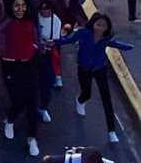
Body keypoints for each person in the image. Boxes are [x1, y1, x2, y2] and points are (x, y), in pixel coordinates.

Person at [54, 12, 133, 143]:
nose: (101, 28)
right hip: (84, 69)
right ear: (93, 24)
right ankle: (80, 100)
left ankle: (111, 131)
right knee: (87, 93)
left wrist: (127, 47)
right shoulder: (82, 33)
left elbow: (115, 44)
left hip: (100, 68)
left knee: (106, 98)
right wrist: (55, 42)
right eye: (99, 25)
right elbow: (69, 40)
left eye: (104, 26)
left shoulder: (105, 39)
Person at [0, 0, 42, 158]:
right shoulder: (4, 23)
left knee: (32, 102)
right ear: (10, 7)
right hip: (10, 65)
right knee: (18, 99)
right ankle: (10, 119)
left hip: (30, 63)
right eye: (16, 6)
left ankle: (32, 137)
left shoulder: (31, 22)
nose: (20, 9)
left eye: (23, 5)